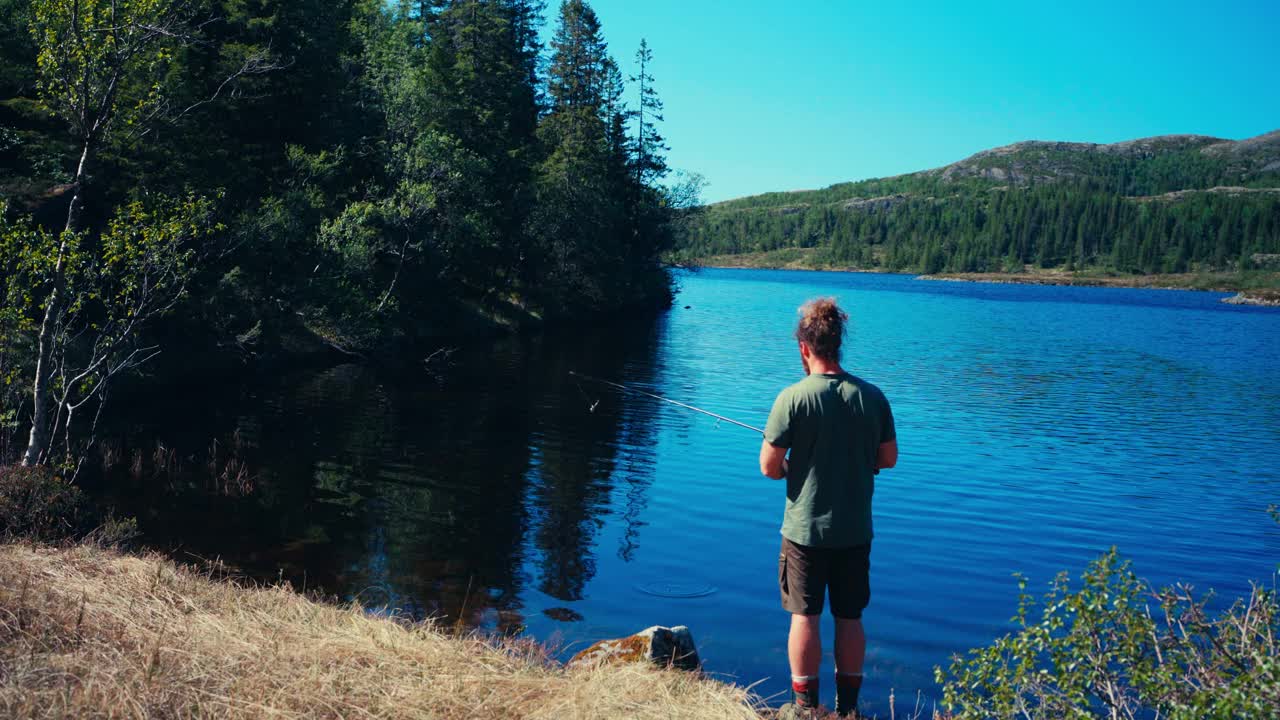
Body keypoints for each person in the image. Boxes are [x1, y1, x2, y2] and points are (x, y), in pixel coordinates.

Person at [759, 297, 898, 718]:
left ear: (805, 348)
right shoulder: (872, 396)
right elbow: (888, 458)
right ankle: (849, 708)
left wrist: (789, 469)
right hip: (855, 530)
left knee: (804, 616)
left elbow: (768, 467)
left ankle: (804, 706)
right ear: (838, 345)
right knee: (850, 617)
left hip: (804, 532)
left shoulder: (792, 398)